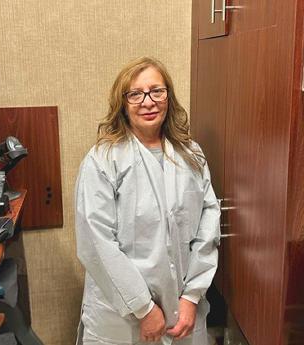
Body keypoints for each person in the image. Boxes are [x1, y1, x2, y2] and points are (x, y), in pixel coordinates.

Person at [74, 57, 221, 345]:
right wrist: (143, 307)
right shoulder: (103, 160)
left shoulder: (191, 154)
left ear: (168, 96)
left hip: (183, 311)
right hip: (122, 317)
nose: (148, 101)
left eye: (157, 91)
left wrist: (192, 296)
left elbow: (208, 223)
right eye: (136, 94)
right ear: (122, 103)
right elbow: (97, 242)